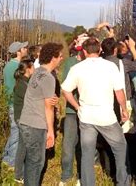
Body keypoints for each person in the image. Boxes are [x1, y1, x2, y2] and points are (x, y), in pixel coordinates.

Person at [61, 38, 131, 186]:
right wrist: (124, 109)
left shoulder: (77, 68)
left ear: (84, 52)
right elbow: (119, 91)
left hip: (86, 117)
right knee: (120, 148)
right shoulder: (110, 67)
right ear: (99, 50)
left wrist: (77, 106)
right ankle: (122, 181)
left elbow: (66, 90)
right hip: (107, 117)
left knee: (86, 153)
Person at [18, 42, 63, 186]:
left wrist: (51, 100)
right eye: (60, 56)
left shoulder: (37, 72)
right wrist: (51, 131)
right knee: (36, 163)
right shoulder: (49, 77)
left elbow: (40, 96)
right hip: (35, 125)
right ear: (53, 58)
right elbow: (48, 108)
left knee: (31, 161)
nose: (62, 58)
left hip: (26, 121)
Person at [59, 40, 85, 186]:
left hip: (87, 110)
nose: (82, 52)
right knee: (69, 143)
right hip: (71, 110)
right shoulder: (70, 62)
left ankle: (82, 175)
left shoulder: (91, 63)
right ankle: (65, 175)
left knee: (84, 144)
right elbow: (66, 86)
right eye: (79, 49)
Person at [2, 41, 28, 169]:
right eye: (24, 48)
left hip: (10, 102)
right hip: (15, 103)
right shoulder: (17, 67)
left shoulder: (8, 65)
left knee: (14, 131)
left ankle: (6, 157)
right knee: (17, 133)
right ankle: (11, 162)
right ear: (18, 51)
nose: (26, 49)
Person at [13, 58, 35, 184]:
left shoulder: (25, 81)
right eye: (33, 67)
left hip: (24, 118)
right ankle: (19, 174)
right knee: (23, 146)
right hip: (22, 119)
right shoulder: (22, 84)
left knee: (23, 145)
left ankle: (19, 172)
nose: (35, 69)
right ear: (27, 69)